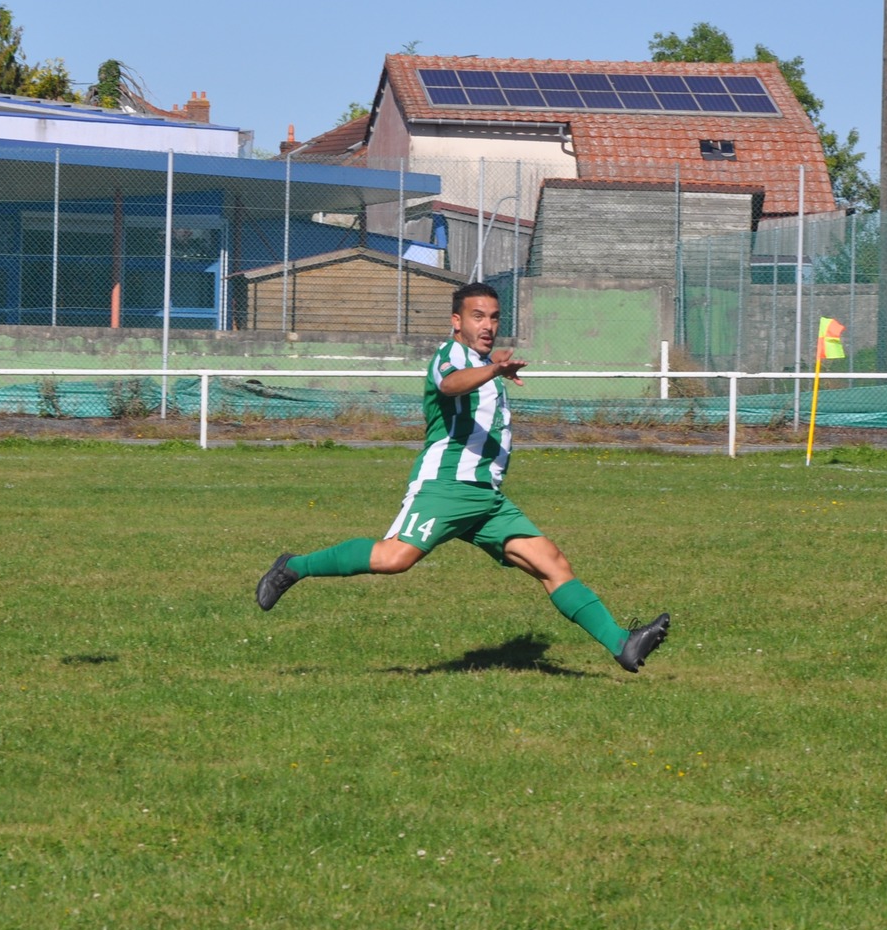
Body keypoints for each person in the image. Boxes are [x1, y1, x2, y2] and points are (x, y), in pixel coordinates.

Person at [254, 282, 670, 673]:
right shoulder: (450, 358)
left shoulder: (484, 364)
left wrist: (494, 369)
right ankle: (294, 567)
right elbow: (451, 384)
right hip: (447, 487)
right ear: (457, 321)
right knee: (394, 558)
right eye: (477, 316)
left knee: (551, 562)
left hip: (486, 498)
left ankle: (622, 643)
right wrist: (494, 370)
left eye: (493, 317)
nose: (487, 325)